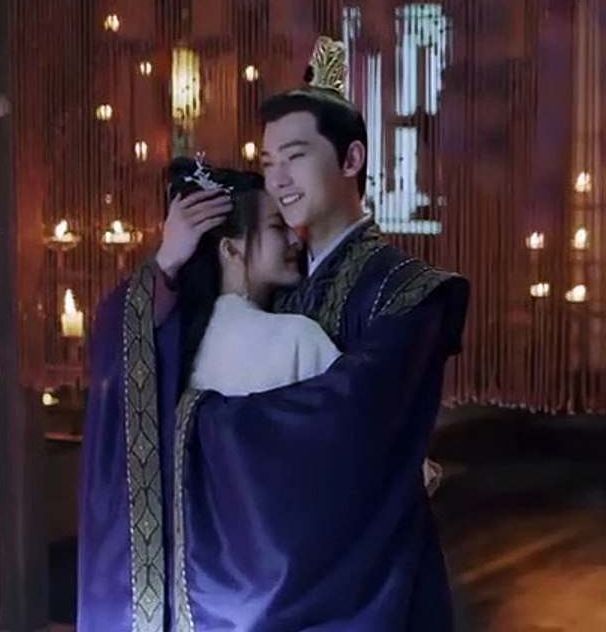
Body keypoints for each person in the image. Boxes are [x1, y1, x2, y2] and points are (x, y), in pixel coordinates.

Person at [77, 36, 468, 632]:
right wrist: (168, 264)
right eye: (268, 163)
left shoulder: (407, 294)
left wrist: (189, 424)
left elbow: (350, 420)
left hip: (364, 586)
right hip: (253, 591)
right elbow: (127, 360)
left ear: (351, 160)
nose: (279, 180)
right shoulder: (272, 280)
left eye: (295, 157)